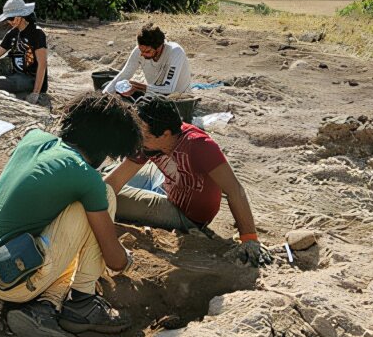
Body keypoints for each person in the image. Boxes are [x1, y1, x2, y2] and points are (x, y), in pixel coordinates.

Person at [0, 92, 142, 337]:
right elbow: (115, 261)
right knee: (102, 196)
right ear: (104, 147)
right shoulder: (85, 177)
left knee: (77, 206)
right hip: (12, 281)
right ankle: (81, 302)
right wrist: (126, 259)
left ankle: (44, 305)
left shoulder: (34, 139)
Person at [109, 97, 272, 267]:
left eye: (145, 136)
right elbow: (115, 179)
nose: (139, 139)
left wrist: (249, 238)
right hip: (167, 182)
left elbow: (234, 190)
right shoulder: (150, 142)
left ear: (165, 134)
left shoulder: (199, 145)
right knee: (102, 180)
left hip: (184, 214)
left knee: (110, 198)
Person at [103, 23, 190, 98]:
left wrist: (138, 87)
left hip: (178, 98)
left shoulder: (175, 52)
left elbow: (169, 88)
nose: (142, 54)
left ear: (159, 47)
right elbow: (125, 74)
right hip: (153, 93)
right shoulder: (140, 50)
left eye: (147, 51)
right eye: (141, 50)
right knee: (109, 86)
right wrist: (104, 94)